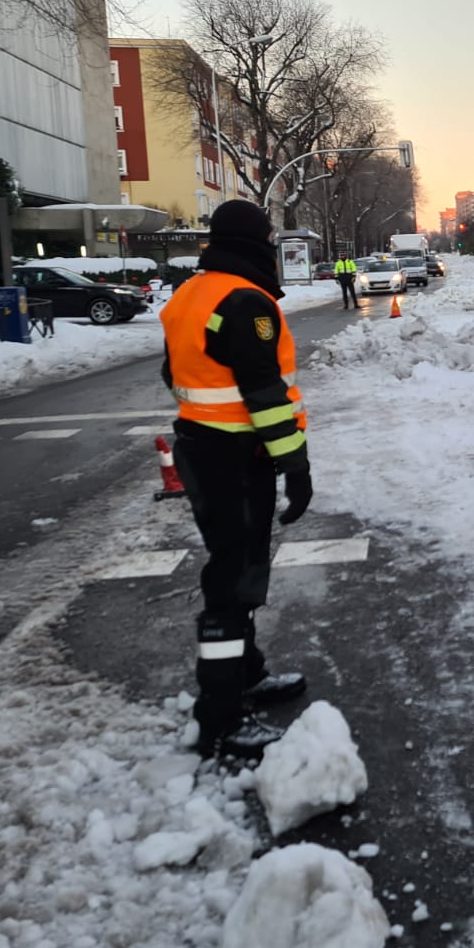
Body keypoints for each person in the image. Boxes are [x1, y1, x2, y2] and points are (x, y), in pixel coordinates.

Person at [160, 200, 313, 760]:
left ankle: (245, 675)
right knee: (232, 581)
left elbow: (173, 371)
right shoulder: (246, 301)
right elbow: (266, 398)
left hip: (200, 449)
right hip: (234, 457)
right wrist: (296, 467)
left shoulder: (189, 295)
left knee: (235, 566)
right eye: (269, 235)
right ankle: (220, 718)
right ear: (256, 240)